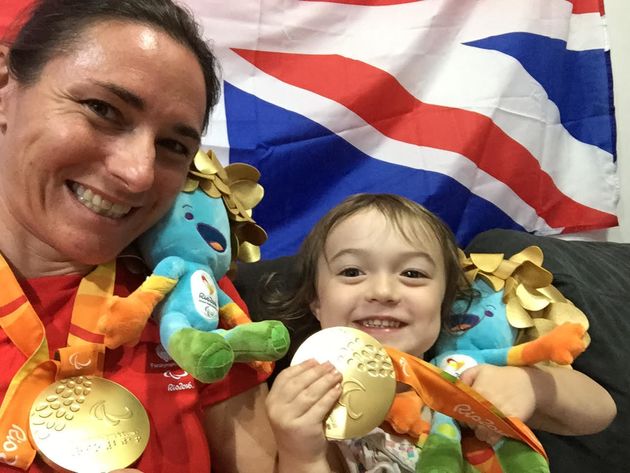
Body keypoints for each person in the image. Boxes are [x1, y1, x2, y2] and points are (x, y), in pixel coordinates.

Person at [0, 1, 276, 472]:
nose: (138, 173)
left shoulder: (194, 297)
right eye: (103, 109)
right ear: (5, 86)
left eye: (172, 146)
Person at [264, 193, 617, 473]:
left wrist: (531, 387)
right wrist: (301, 453)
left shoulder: (465, 379)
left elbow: (601, 412)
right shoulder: (314, 404)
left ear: (444, 303)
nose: (384, 291)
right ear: (316, 302)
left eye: (413, 274)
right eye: (353, 271)